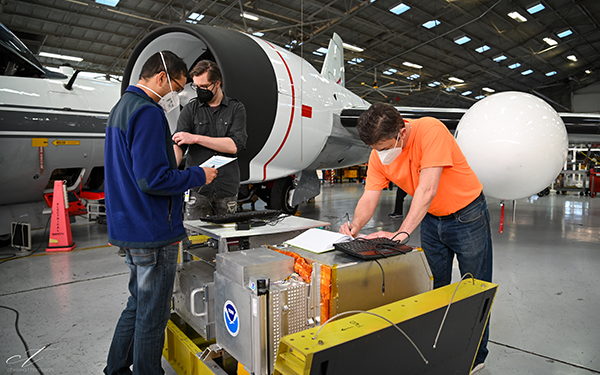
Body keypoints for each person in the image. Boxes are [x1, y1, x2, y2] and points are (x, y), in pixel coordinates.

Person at [340, 103, 492, 373]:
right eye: (376, 150)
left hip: (467, 216)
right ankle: (434, 347)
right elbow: (369, 196)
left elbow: (427, 189)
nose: (381, 155)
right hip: (432, 219)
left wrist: (402, 233)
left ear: (401, 131)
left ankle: (477, 355)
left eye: (385, 148)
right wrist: (355, 225)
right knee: (433, 285)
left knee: (475, 285)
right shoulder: (379, 153)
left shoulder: (430, 130)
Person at [103, 50, 217, 375]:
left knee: (136, 306)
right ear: (162, 78)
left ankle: (115, 369)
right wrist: (198, 175)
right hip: (153, 233)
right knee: (153, 316)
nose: (175, 96)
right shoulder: (148, 113)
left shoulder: (119, 110)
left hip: (129, 228)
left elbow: (134, 171)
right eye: (177, 87)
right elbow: (152, 179)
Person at [172, 60, 247, 219]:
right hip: (197, 188)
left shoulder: (236, 109)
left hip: (226, 187)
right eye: (197, 87)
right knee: (195, 238)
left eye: (204, 86)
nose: (200, 90)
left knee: (226, 237)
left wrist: (195, 138)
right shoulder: (190, 110)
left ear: (217, 83)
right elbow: (179, 142)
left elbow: (234, 145)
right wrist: (168, 170)